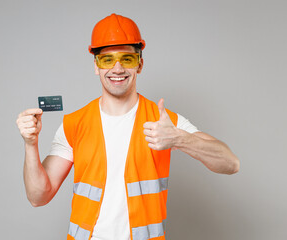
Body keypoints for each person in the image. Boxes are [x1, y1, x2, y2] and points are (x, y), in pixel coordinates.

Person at [16, 13, 239, 240]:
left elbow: (231, 164)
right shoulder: (74, 124)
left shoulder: (163, 121)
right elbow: (38, 197)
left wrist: (180, 139)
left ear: (140, 64)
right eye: (107, 60)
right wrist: (30, 144)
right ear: (96, 66)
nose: (117, 68)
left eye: (128, 59)